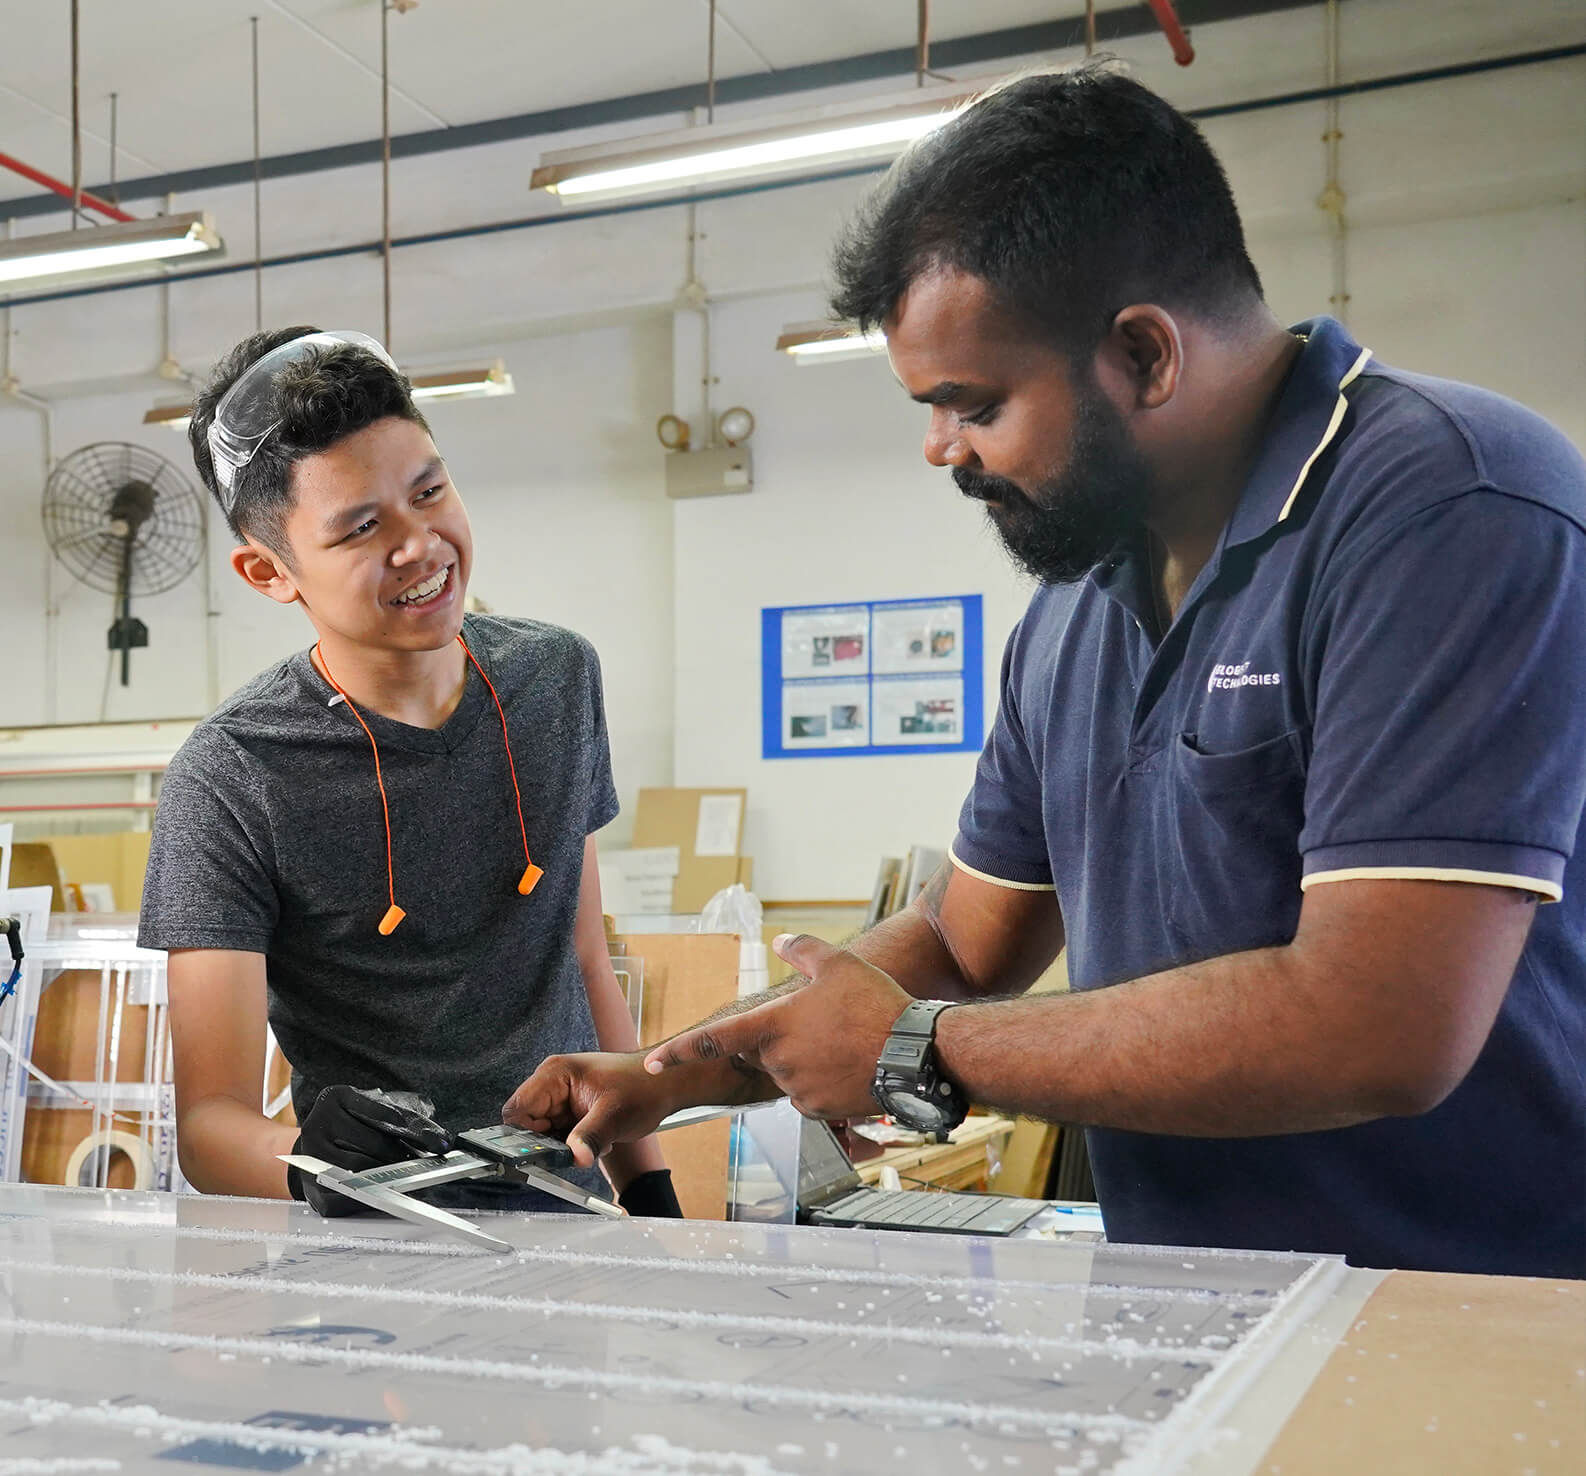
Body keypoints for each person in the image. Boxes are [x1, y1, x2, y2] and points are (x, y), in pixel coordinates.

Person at [505, 64, 1586, 1277]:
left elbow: (1377, 1024)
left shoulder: (1450, 509)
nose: (938, 449)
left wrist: (924, 1049)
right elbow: (966, 943)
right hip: (1195, 1299)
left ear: (1142, 353)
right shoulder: (1075, 602)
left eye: (970, 403)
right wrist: (671, 1075)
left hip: (1481, 1308)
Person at [139, 327, 681, 1219]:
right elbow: (209, 1125)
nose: (420, 544)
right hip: (369, 1243)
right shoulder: (231, 777)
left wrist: (651, 1193)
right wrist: (306, 1156)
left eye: (429, 491)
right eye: (361, 526)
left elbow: (585, 964)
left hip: (572, 1225)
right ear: (268, 571)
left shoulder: (557, 680)